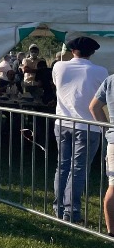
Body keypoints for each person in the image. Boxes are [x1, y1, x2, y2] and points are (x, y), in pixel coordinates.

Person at [52, 36, 108, 223]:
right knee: (78, 169)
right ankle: (71, 211)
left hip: (62, 122)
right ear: (92, 52)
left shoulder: (59, 67)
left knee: (62, 166)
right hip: (88, 125)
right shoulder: (100, 71)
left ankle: (59, 207)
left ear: (72, 50)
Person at [90, 72, 114, 237]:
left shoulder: (110, 80)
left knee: (113, 186)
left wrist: (107, 130)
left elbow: (94, 107)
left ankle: (111, 231)